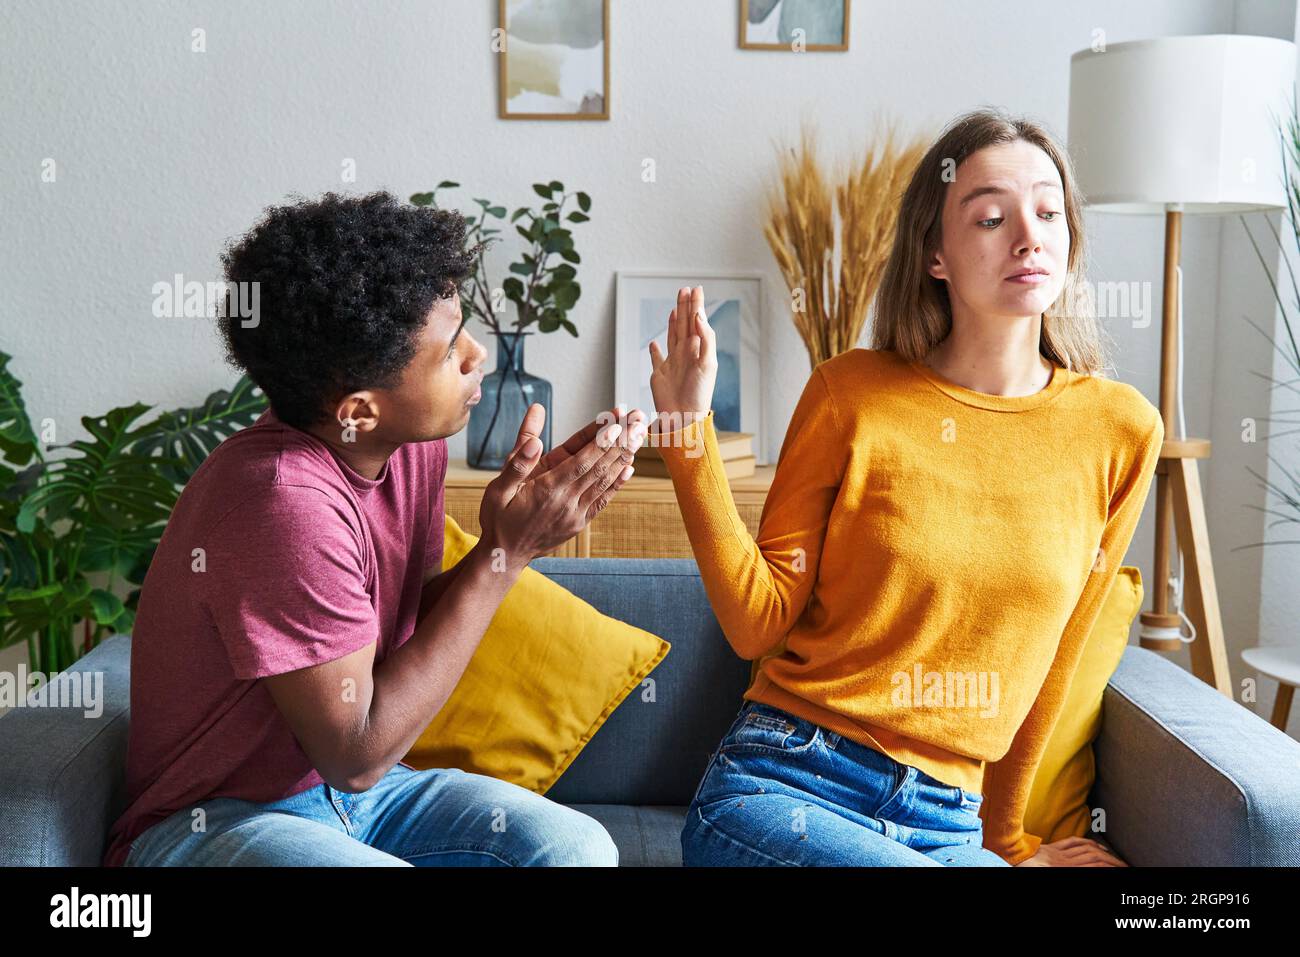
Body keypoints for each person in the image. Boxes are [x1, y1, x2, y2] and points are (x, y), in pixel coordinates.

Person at [648, 108, 1163, 867]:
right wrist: (689, 435)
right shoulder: (848, 393)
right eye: (991, 216)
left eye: (1049, 211)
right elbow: (758, 623)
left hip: (946, 822)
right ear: (935, 256)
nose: (1029, 234)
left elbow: (1052, 665)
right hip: (786, 785)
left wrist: (1013, 846)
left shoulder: (1121, 430)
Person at [103, 191, 647, 866]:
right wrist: (507, 552)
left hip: (359, 800)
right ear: (360, 408)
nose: (478, 354)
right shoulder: (283, 502)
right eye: (451, 352)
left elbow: (400, 644)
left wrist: (511, 533)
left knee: (575, 847)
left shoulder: (412, 448)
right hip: (217, 821)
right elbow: (354, 752)